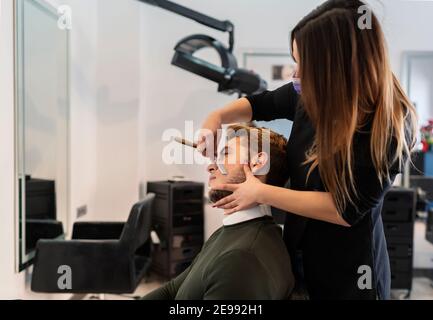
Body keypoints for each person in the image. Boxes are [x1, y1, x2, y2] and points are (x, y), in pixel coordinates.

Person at [197, 0, 417, 300]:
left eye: (305, 64)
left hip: (349, 274)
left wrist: (260, 193)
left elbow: (344, 210)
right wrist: (216, 118)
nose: (296, 74)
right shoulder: (313, 92)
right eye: (295, 60)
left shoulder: (388, 125)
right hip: (299, 252)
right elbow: (260, 104)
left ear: (338, 66)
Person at [143, 125, 294, 300]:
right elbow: (172, 290)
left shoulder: (241, 259)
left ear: (258, 163)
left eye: (226, 154)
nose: (210, 167)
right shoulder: (227, 232)